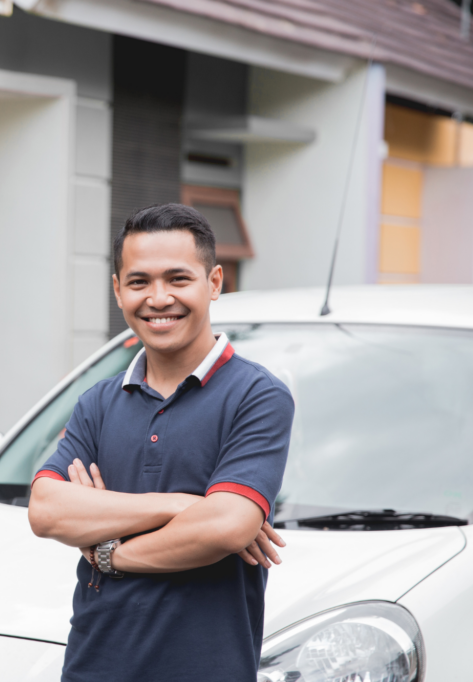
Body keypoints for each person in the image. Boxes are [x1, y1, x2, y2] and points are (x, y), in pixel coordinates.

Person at [28, 203, 294, 682]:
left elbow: (226, 529)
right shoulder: (99, 402)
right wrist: (182, 504)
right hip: (92, 667)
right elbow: (46, 511)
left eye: (178, 279)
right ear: (117, 290)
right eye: (138, 282)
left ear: (214, 283)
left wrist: (108, 551)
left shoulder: (256, 395)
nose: (158, 298)